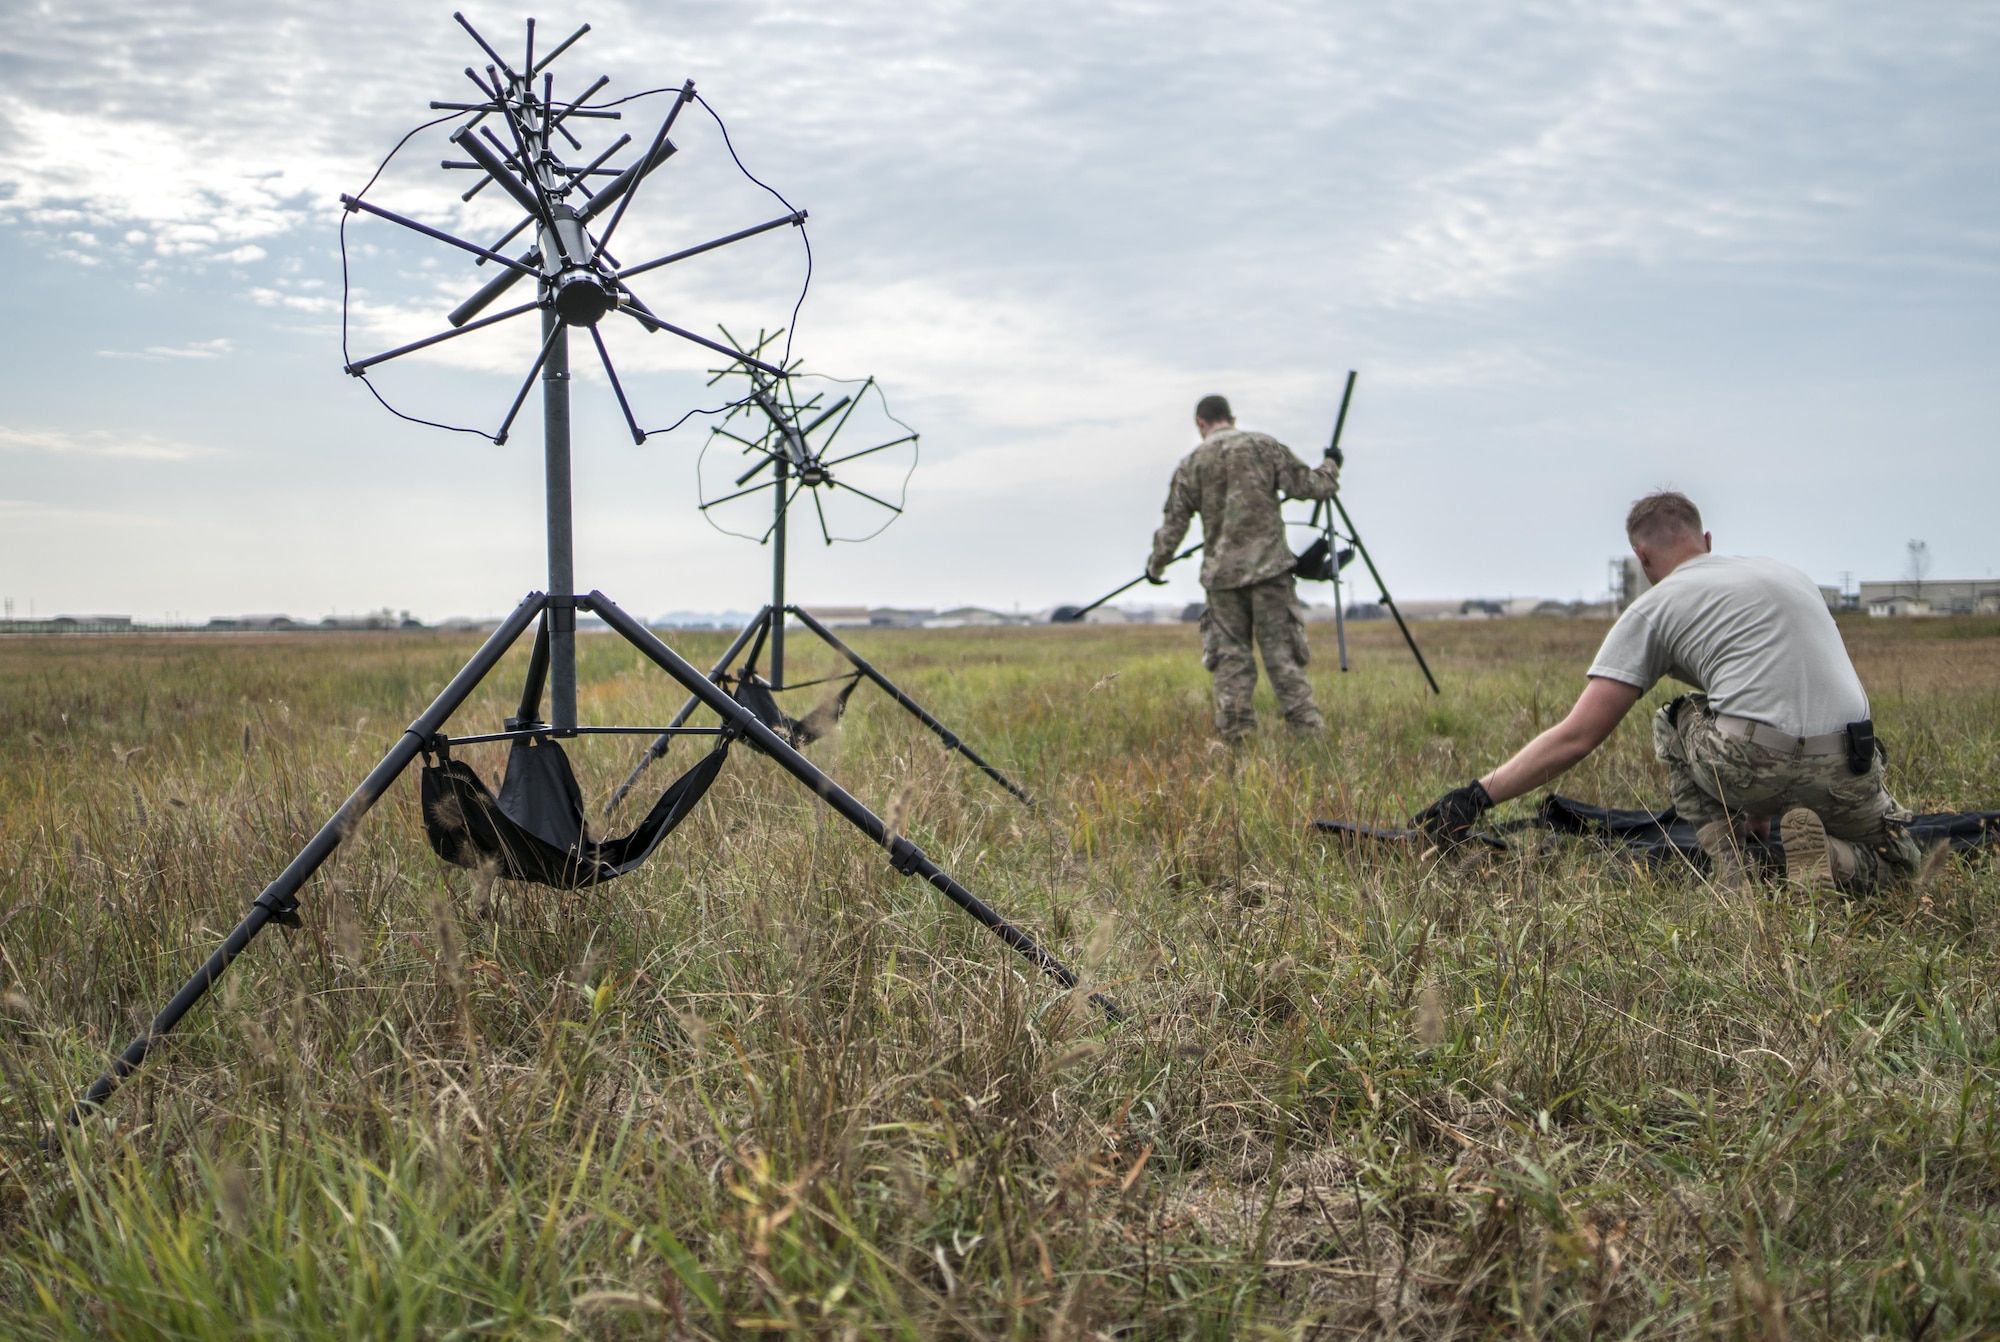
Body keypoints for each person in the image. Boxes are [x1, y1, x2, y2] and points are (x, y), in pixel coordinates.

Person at [1414, 490, 1920, 891]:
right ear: (1707, 539)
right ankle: (1832, 859)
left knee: (1675, 718)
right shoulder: (1789, 575)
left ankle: (1735, 873)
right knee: (1901, 872)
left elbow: (1577, 737)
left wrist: (1475, 797)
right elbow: (1781, 687)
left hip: (1748, 763)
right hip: (1847, 767)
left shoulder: (1655, 608)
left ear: (1641, 556)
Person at [1146, 394, 1340, 741]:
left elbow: (1173, 527)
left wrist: (1155, 566)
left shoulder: (1191, 463)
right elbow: (1313, 486)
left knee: (1231, 664)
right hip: (1270, 574)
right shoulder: (1263, 446)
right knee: (1283, 658)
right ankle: (1309, 738)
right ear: (1231, 419)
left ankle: (1236, 742)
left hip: (1221, 581)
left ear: (1200, 424)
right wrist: (1331, 464)